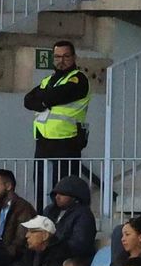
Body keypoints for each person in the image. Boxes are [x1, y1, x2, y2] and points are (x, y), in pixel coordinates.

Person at [23, 41, 91, 202]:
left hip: (67, 140)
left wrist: (44, 99)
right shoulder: (49, 80)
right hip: (43, 140)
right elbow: (27, 100)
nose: (61, 60)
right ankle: (42, 219)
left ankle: (62, 221)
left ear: (74, 57)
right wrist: (45, 100)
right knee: (40, 186)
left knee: (65, 190)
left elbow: (57, 95)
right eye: (58, 56)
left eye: (66, 56)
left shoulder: (78, 79)